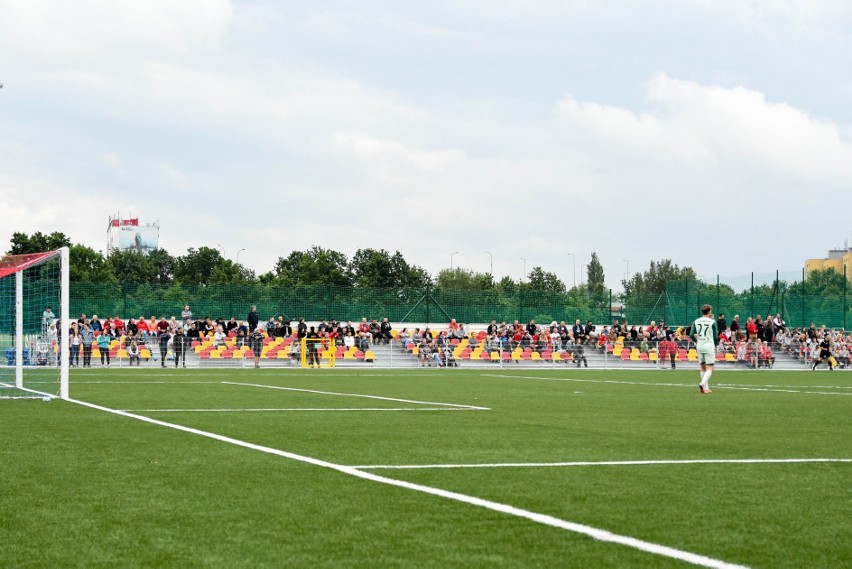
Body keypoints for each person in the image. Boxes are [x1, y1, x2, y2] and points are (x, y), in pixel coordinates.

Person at [690, 304, 719, 394]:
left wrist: (696, 341)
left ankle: (705, 388)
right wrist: (716, 345)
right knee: (710, 368)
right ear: (709, 311)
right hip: (709, 345)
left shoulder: (696, 321)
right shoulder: (712, 322)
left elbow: (691, 334)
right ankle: (702, 383)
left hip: (700, 345)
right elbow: (715, 336)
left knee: (702, 367)